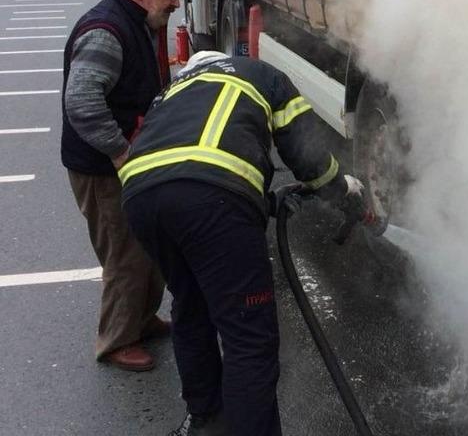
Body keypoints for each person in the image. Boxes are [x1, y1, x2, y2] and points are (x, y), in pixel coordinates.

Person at [120, 51, 368, 436]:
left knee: (191, 305)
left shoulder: (173, 89)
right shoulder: (262, 75)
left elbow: (184, 168)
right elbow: (308, 157)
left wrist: (265, 202)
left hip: (141, 197)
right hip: (211, 201)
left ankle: (205, 421)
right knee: (249, 339)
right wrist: (342, 190)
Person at [61, 0, 185, 371]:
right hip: (102, 168)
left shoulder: (138, 20)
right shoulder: (106, 31)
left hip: (126, 161)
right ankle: (116, 341)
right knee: (125, 254)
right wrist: (120, 152)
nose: (177, 2)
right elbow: (82, 101)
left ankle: (141, 319)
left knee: (147, 245)